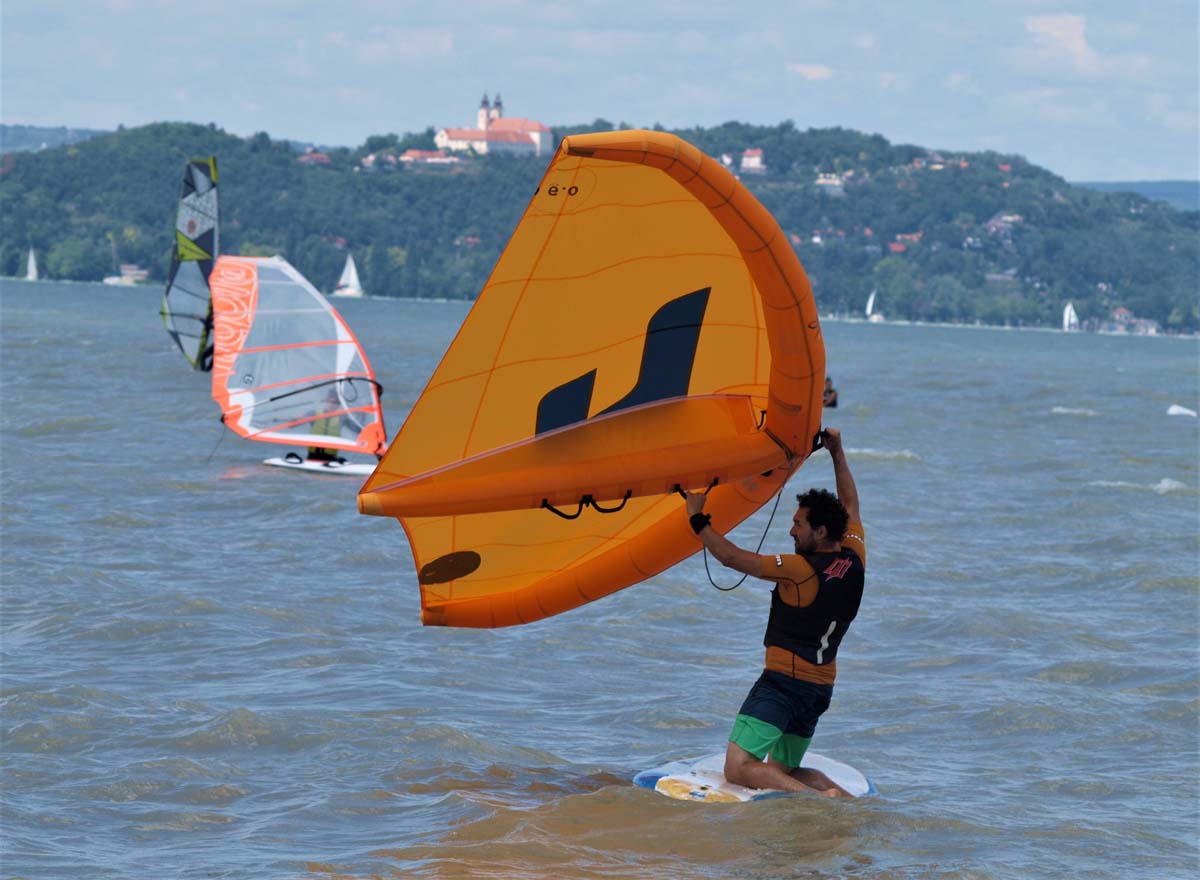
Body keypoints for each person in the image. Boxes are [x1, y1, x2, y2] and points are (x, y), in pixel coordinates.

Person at [683, 427, 864, 797]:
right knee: (784, 771)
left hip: (783, 686)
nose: (791, 532)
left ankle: (816, 801)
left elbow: (732, 557)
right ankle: (840, 800)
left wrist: (697, 518)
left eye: (798, 525)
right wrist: (837, 451)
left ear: (821, 531)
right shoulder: (855, 555)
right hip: (819, 690)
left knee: (738, 768)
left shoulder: (800, 570)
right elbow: (851, 504)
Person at [306, 388, 346, 463]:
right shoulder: (314, 413)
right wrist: (293, 420)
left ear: (339, 404)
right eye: (330, 401)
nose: (332, 405)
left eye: (335, 402)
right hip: (312, 456)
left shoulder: (342, 418)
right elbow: (294, 424)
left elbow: (357, 429)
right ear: (326, 401)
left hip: (330, 457)